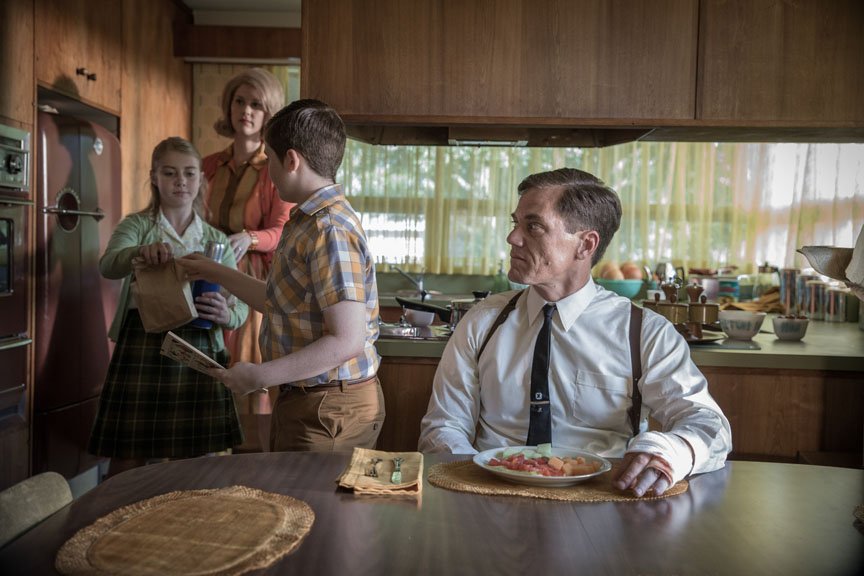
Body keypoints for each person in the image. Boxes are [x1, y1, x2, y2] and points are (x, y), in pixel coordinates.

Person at [418, 167, 731, 497]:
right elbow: (444, 424)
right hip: (490, 496)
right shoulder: (483, 321)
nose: (513, 237)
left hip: (603, 503)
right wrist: (471, 476)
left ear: (586, 244)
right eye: (516, 223)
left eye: (533, 226)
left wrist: (670, 451)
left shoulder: (643, 333)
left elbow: (710, 427)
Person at [178, 99, 384, 452]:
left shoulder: (329, 228)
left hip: (329, 407)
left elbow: (347, 340)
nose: (269, 173)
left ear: (291, 161)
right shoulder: (305, 220)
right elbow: (277, 301)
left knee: (314, 508)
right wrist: (213, 270)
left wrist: (259, 375)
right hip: (311, 401)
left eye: (270, 160)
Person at [88, 137, 249, 477]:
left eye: (190, 173)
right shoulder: (137, 226)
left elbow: (242, 305)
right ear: (154, 177)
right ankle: (117, 523)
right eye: (170, 172)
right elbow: (107, 266)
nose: (181, 181)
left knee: (196, 460)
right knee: (128, 453)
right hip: (143, 343)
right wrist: (137, 253)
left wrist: (228, 315)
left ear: (200, 181)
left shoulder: (216, 240)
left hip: (201, 346)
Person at [203, 68, 294, 444]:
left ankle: (249, 454)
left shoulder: (274, 168)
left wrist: (250, 238)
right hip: (207, 271)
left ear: (268, 112)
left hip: (251, 278)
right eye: (240, 101)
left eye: (257, 104)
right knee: (207, 360)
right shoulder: (208, 164)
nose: (246, 111)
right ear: (229, 106)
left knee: (245, 364)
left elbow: (282, 230)